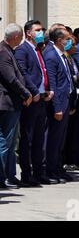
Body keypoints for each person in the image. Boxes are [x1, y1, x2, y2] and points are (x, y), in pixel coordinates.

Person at [15, 20, 56, 186]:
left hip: (42, 100)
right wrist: (34, 91)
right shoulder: (22, 50)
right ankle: (27, 174)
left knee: (39, 139)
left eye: (42, 30)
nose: (41, 33)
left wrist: (48, 89)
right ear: (28, 33)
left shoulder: (39, 49)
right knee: (28, 139)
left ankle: (39, 173)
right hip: (31, 100)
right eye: (37, 30)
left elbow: (44, 72)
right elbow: (23, 73)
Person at [0, 24, 32, 189]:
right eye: (20, 37)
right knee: (5, 143)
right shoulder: (3, 52)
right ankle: (2, 176)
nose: (21, 40)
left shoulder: (8, 50)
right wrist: (26, 93)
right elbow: (10, 78)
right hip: (7, 104)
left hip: (13, 104)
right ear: (14, 37)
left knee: (11, 143)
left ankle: (10, 175)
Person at [44, 28, 75, 183]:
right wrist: (57, 108)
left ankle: (57, 167)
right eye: (67, 39)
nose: (69, 41)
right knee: (54, 139)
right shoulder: (51, 55)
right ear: (58, 40)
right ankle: (50, 170)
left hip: (66, 101)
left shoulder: (62, 55)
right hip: (58, 104)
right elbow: (53, 84)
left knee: (60, 139)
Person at [63, 34, 79, 171]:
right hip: (66, 100)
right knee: (66, 133)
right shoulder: (64, 58)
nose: (75, 47)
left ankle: (72, 159)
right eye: (72, 44)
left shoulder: (72, 58)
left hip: (76, 99)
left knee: (74, 132)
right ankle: (65, 160)